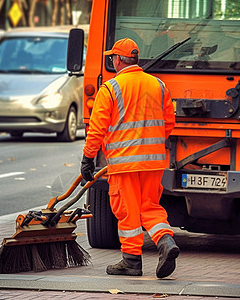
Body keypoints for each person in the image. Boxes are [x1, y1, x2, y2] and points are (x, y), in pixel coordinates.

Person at [80, 38, 179, 278]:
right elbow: (169, 124)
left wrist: (88, 158)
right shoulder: (159, 85)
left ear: (117, 60)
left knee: (128, 212)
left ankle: (132, 261)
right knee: (150, 207)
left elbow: (97, 129)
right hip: (154, 162)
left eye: (112, 57)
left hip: (124, 164)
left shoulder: (111, 88)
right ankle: (165, 241)